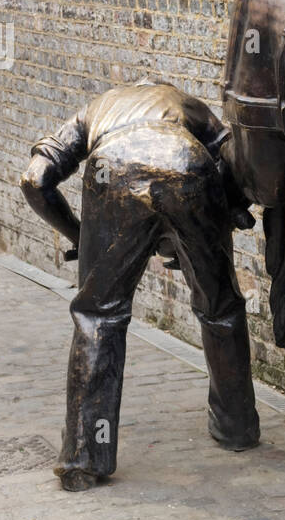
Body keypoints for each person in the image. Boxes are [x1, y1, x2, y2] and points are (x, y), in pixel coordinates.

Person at [20, 79, 261, 490]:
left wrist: (79, 235)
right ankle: (236, 425)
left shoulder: (94, 109)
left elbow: (34, 180)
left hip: (112, 168)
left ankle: (83, 456)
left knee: (98, 317)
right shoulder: (186, 104)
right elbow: (237, 160)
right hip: (189, 165)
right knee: (220, 307)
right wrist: (218, 217)